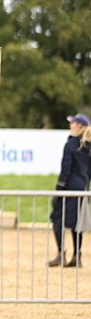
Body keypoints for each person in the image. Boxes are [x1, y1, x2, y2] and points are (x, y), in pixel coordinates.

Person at [48, 112, 91, 267]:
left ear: (79, 126)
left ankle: (61, 253)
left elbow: (65, 170)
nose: (70, 124)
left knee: (57, 218)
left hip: (69, 188)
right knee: (77, 223)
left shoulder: (71, 144)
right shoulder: (88, 146)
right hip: (83, 188)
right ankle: (76, 256)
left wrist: (58, 190)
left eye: (72, 122)